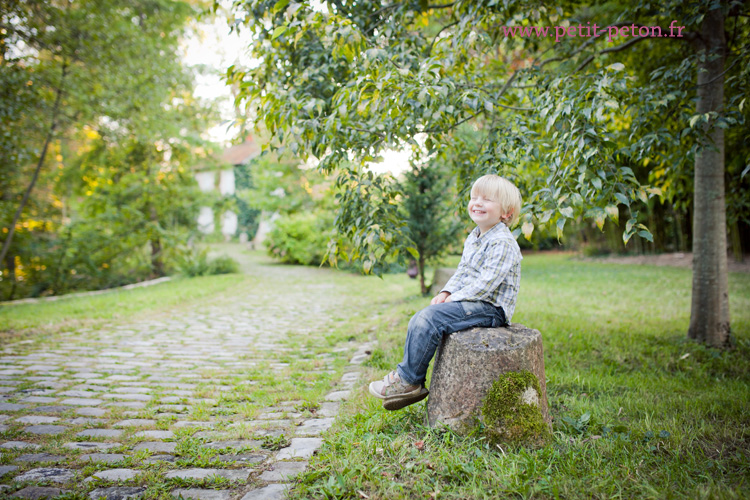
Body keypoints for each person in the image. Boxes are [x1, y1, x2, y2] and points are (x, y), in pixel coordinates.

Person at [369, 174, 523, 410]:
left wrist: (454, 298)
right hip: (472, 301)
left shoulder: (502, 241)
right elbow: (463, 271)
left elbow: (487, 283)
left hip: (491, 308)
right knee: (424, 315)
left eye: (488, 199)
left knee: (429, 319)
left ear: (507, 213)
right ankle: (411, 380)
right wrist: (446, 291)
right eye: (474, 197)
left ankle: (409, 381)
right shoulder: (474, 237)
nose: (478, 203)